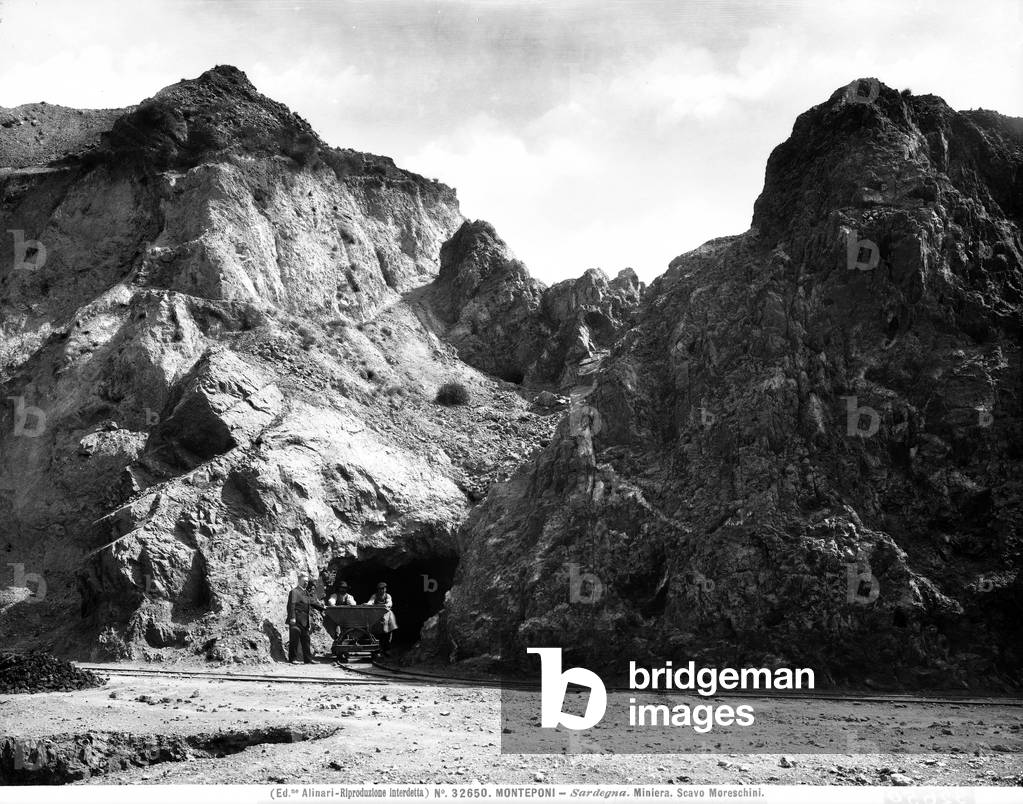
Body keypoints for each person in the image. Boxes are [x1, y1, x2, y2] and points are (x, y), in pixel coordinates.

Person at [286, 572, 324, 664]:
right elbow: (291, 605)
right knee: (294, 640)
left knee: (306, 640)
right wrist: (292, 617)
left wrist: (322, 608)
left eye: (307, 581)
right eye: (304, 581)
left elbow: (312, 602)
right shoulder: (294, 592)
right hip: (296, 620)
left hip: (304, 621)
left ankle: (308, 659)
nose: (306, 583)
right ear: (299, 580)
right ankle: (293, 659)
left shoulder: (306, 592)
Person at [364, 582, 398, 654]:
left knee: (387, 632)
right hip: (376, 615)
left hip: (387, 615)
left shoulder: (388, 596)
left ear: (385, 589)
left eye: (383, 589)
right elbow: (371, 601)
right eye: (380, 589)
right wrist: (368, 604)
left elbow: (389, 603)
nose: (381, 590)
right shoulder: (375, 596)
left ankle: (386, 649)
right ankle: (376, 649)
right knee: (375, 632)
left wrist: (386, 605)